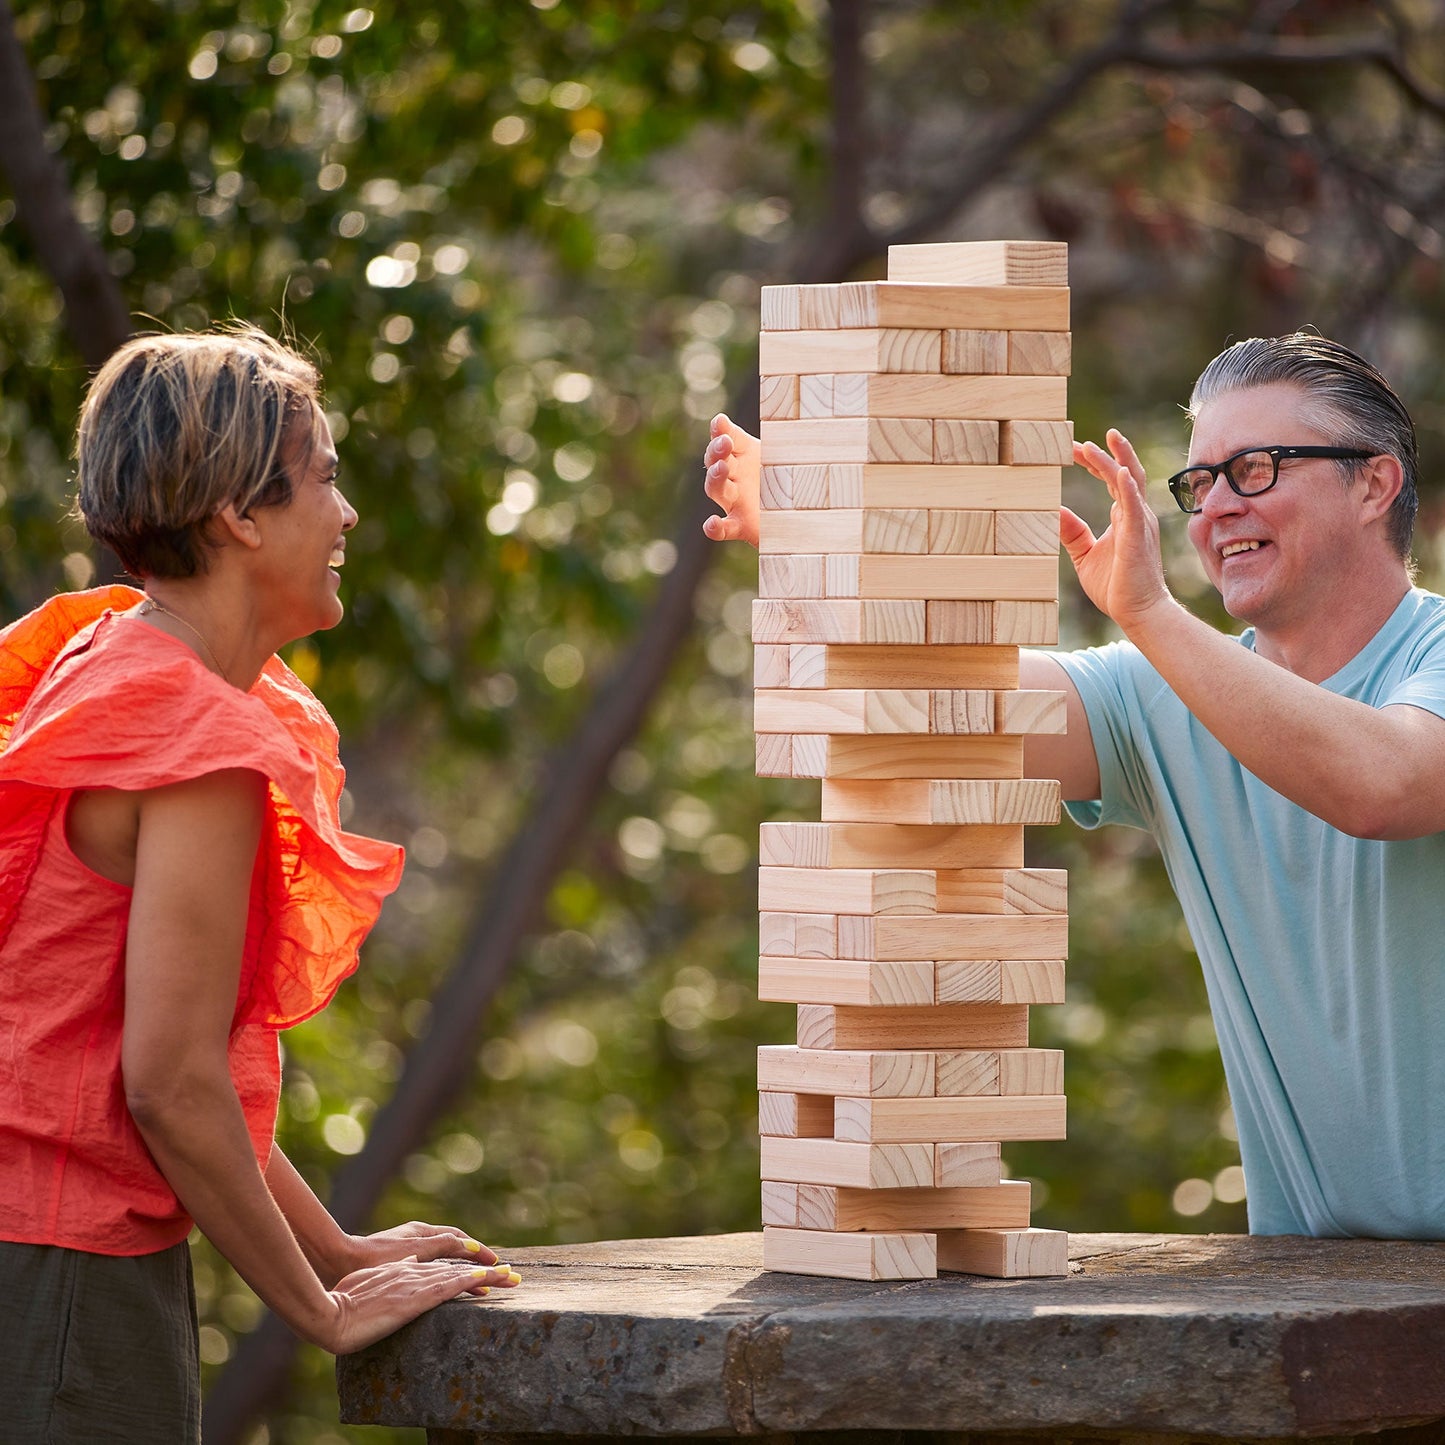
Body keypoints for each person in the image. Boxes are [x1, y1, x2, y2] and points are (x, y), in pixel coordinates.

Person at [703, 331, 1445, 1240]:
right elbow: (938, 714)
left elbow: (1383, 785)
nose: (1215, 506)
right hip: (1321, 1295)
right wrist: (813, 540)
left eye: (1253, 470)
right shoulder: (1165, 691)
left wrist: (1148, 612)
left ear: (1373, 484)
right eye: (1199, 481)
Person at [0, 326, 520, 1443]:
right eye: (324, 479)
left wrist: (334, 1247)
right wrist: (321, 1311)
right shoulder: (194, 741)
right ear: (240, 513)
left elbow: (130, 1054)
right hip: (62, 1277)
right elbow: (169, 1082)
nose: (347, 516)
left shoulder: (115, 661)